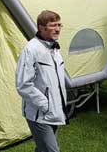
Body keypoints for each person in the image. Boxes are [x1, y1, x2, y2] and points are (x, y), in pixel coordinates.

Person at [15, 10, 67, 152]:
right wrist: (46, 105)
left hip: (54, 112)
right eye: (53, 25)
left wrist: (57, 106)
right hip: (39, 115)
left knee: (42, 149)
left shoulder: (54, 48)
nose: (57, 29)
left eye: (59, 25)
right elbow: (23, 85)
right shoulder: (31, 49)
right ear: (41, 28)